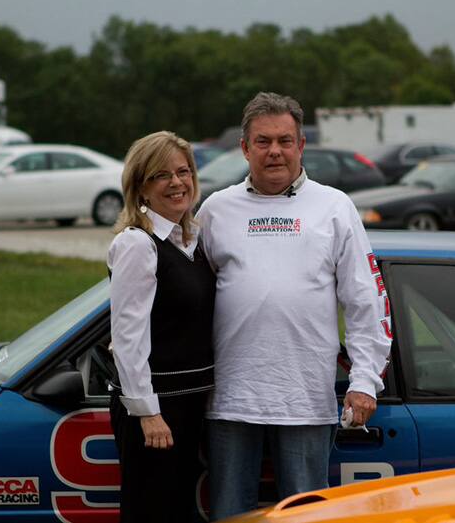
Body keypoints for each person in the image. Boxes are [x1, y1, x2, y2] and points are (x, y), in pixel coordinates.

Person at [197, 92, 391, 520]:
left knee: (305, 516)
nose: (275, 152)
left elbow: (365, 301)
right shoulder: (215, 211)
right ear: (244, 148)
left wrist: (363, 380)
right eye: (263, 142)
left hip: (304, 399)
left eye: (285, 140)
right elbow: (188, 296)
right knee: (229, 514)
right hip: (229, 399)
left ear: (301, 145)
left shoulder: (335, 206)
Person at [107, 131, 215, 523]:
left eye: (183, 172)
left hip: (188, 404)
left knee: (178, 510)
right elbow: (127, 337)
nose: (176, 183)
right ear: (140, 187)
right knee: (152, 512)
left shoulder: (191, 240)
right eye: (161, 175)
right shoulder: (138, 244)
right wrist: (147, 412)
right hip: (157, 410)